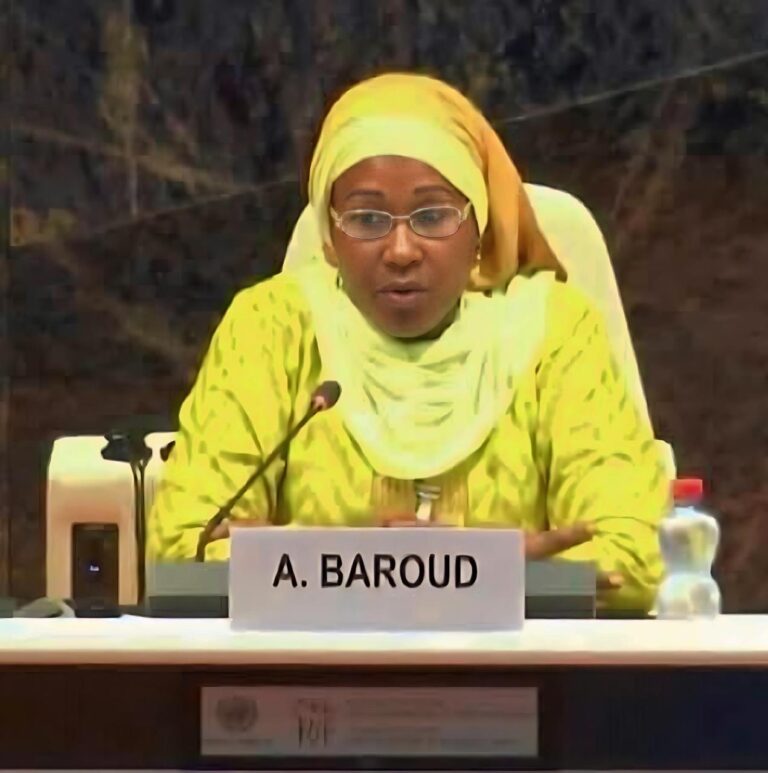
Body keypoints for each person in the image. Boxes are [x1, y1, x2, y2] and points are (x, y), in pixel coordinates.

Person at [147, 72, 669, 611]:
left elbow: (632, 560)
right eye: (367, 218)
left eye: (433, 216)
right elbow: (183, 551)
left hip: (514, 660)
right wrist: (430, 571)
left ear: (478, 225)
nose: (400, 250)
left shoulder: (554, 327)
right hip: (314, 660)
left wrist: (325, 563)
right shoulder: (272, 326)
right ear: (330, 237)